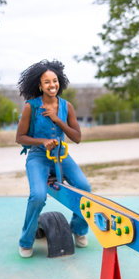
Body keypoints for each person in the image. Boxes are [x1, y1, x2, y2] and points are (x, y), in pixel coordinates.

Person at [16, 59, 91, 258]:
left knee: (85, 188)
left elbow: (77, 137)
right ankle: (26, 240)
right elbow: (19, 138)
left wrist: (58, 119)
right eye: (47, 82)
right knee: (38, 196)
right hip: (38, 157)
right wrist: (42, 141)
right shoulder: (30, 107)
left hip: (61, 156)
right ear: (39, 85)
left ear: (60, 82)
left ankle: (79, 228)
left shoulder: (67, 106)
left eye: (55, 81)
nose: (52, 85)